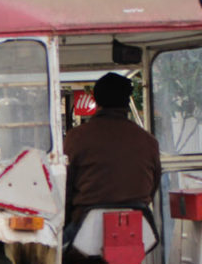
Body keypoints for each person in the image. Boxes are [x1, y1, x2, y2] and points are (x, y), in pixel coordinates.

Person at [63, 72, 161, 226]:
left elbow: (65, 187)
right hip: (139, 227)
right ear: (127, 101)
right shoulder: (149, 141)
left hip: (85, 230)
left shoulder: (76, 138)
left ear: (95, 99)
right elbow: (152, 186)